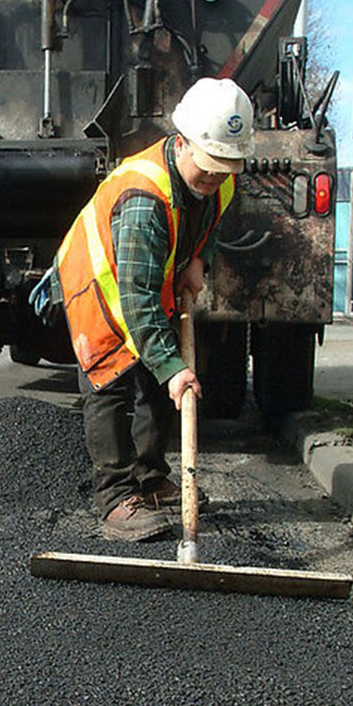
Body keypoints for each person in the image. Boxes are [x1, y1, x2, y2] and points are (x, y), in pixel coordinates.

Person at [31, 77, 254, 542]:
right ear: (182, 143)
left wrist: (199, 260)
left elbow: (210, 224)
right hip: (101, 285)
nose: (215, 177)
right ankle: (114, 498)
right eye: (208, 166)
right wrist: (173, 367)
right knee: (109, 381)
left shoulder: (221, 182)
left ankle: (150, 478)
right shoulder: (144, 199)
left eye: (225, 167)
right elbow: (134, 299)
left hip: (150, 278)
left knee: (158, 384)